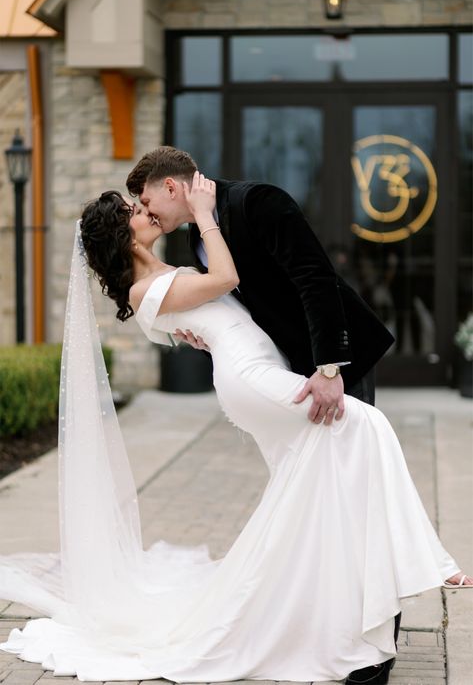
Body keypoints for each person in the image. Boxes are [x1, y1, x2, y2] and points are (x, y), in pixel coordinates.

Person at [1, 175, 470, 685]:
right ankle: (425, 564)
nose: (145, 211)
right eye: (134, 211)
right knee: (365, 426)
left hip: (259, 369)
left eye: (142, 202)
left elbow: (222, 308)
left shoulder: (163, 275)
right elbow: (226, 279)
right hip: (252, 380)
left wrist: (202, 324)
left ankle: (350, 618)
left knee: (320, 485)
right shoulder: (146, 287)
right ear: (124, 237)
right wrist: (204, 213)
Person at [126, 147, 395, 421]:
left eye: (147, 202)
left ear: (171, 187)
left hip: (340, 362)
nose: (148, 213)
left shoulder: (258, 201)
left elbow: (315, 278)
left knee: (352, 452)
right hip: (293, 368)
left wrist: (329, 368)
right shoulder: (197, 238)